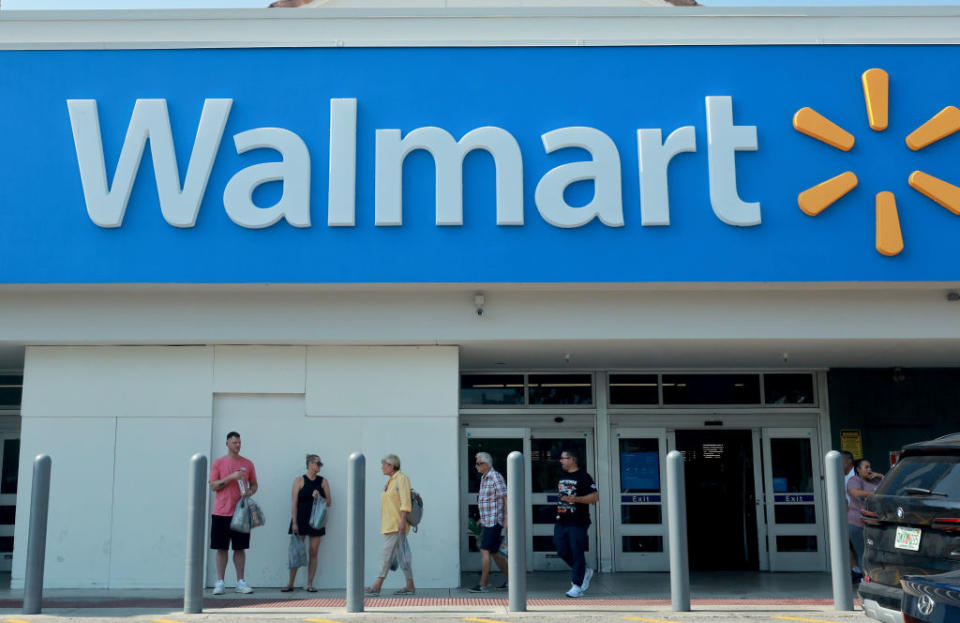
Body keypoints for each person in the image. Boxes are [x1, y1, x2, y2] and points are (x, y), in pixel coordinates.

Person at [208, 431, 258, 595]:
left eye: (239, 442)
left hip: (241, 514)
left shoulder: (248, 464)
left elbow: (254, 484)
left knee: (240, 548)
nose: (238, 445)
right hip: (221, 513)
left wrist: (250, 491)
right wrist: (232, 477)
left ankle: (241, 582)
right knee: (221, 548)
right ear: (227, 444)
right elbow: (214, 486)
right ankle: (220, 582)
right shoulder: (219, 463)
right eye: (235, 442)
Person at [365, 454, 416, 596]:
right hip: (390, 524)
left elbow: (405, 502)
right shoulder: (390, 482)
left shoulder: (401, 479)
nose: (382, 467)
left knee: (386, 554)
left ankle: (377, 585)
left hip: (396, 524)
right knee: (402, 556)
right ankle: (410, 585)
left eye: (384, 465)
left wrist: (402, 521)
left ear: (392, 466)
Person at [283, 454, 332, 592]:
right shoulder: (299, 480)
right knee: (296, 551)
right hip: (301, 519)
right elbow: (294, 503)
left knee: (313, 551)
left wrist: (320, 496)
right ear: (310, 464)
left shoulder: (323, 482)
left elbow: (329, 502)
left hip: (317, 521)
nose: (320, 466)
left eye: (321, 463)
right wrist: (294, 522)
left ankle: (310, 583)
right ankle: (290, 583)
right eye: (318, 463)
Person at [554, 448, 598, 599]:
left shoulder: (584, 476)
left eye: (563, 458)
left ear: (572, 459)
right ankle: (584, 572)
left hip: (578, 521)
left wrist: (576, 499)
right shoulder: (562, 475)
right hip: (561, 519)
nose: (561, 461)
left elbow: (594, 497)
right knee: (561, 550)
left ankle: (577, 586)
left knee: (577, 552)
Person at [468, 452, 508, 593]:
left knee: (485, 550)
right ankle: (511, 581)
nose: (476, 466)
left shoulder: (495, 477)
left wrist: (507, 518)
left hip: (494, 521)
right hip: (487, 520)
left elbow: (505, 497)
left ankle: (483, 584)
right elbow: (488, 500)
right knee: (495, 552)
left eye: (479, 463)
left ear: (486, 464)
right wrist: (480, 519)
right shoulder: (484, 478)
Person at [847, 458, 883, 578]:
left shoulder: (875, 480)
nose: (870, 470)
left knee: (876, 553)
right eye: (866, 467)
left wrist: (879, 475)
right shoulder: (854, 480)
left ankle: (877, 578)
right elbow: (856, 493)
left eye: (870, 467)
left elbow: (889, 484)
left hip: (875, 523)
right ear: (858, 469)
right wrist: (874, 493)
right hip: (858, 523)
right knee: (863, 553)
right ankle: (865, 578)